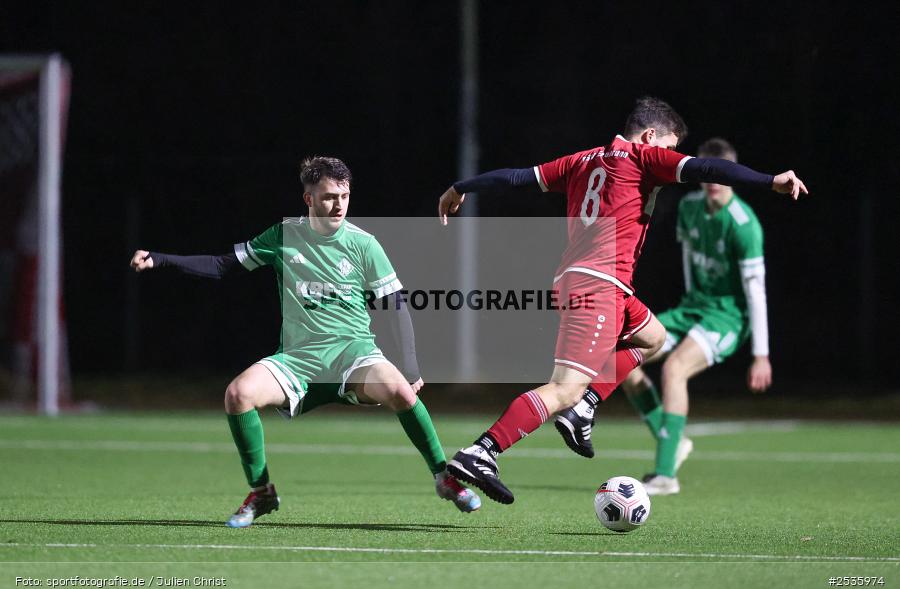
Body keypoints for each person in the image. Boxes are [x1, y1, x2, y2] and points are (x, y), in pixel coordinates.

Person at [437, 97, 807, 505]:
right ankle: (482, 452)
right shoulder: (644, 157)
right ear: (650, 136)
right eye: (668, 146)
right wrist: (770, 179)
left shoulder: (580, 161)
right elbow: (706, 167)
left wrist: (460, 187)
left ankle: (586, 407)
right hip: (600, 287)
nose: (668, 156)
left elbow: (515, 178)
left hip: (585, 281)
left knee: (654, 337)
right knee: (563, 389)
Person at [130, 156, 480, 527]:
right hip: (298, 360)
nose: (339, 204)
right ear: (308, 199)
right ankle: (262, 492)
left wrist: (410, 368)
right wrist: (161, 259)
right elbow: (221, 265)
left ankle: (444, 478)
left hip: (353, 355)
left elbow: (396, 305)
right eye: (329, 196)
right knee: (237, 395)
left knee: (402, 391)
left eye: (345, 195)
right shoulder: (282, 236)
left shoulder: (364, 244)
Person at [612, 137, 772, 496]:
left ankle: (665, 475)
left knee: (674, 369)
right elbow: (688, 260)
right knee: (622, 359)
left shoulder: (744, 225)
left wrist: (761, 354)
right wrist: (689, 302)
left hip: (727, 319)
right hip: (693, 308)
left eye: (721, 176)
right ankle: (674, 441)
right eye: (708, 174)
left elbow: (756, 292)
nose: (713, 182)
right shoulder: (690, 209)